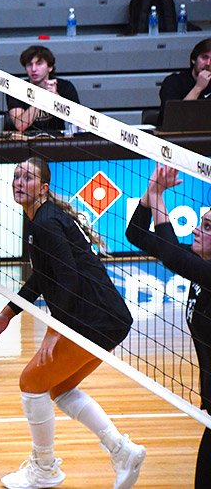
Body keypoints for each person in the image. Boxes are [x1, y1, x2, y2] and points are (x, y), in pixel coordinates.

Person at [0, 157, 145, 489]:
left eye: (27, 177)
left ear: (43, 188)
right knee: (59, 388)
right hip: (108, 319)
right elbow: (43, 277)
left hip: (94, 320)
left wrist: (53, 333)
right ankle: (122, 451)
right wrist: (8, 313)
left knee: (31, 383)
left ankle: (44, 469)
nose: (18, 181)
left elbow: (67, 279)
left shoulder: (46, 223)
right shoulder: (42, 219)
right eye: (15, 176)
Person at [125, 163, 211, 488]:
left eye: (208, 226)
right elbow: (136, 234)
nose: (198, 230)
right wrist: (149, 196)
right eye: (200, 223)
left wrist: (160, 195)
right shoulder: (200, 263)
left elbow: (173, 257)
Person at [6, 46, 80, 135]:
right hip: (25, 140)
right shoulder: (16, 88)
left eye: (39, 64)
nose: (33, 69)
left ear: (50, 67)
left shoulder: (65, 87)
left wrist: (57, 99)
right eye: (29, 65)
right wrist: (43, 98)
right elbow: (20, 125)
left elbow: (79, 121)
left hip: (57, 140)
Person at [157, 37, 211, 126]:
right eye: (204, 57)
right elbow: (175, 119)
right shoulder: (173, 82)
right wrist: (198, 88)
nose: (208, 64)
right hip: (175, 136)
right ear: (193, 59)